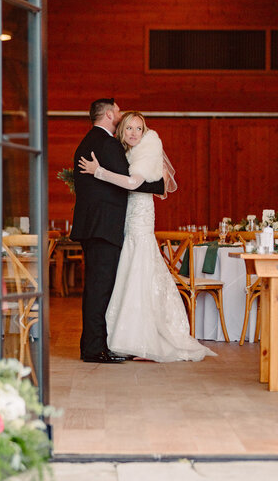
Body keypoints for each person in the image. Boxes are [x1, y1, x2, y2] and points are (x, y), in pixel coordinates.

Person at [79, 111, 216, 362]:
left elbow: (133, 184)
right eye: (129, 128)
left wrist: (98, 172)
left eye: (138, 129)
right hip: (126, 219)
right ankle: (122, 338)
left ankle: (140, 338)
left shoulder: (147, 148)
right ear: (121, 131)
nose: (133, 133)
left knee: (139, 274)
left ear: (145, 131)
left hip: (139, 220)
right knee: (126, 276)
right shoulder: (125, 151)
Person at [70, 100, 165, 364]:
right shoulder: (107, 143)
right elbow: (132, 181)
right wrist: (157, 186)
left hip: (96, 227)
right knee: (100, 290)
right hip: (104, 229)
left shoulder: (88, 141)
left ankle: (99, 344)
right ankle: (94, 348)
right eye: (119, 110)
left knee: (100, 288)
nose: (121, 114)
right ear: (110, 114)